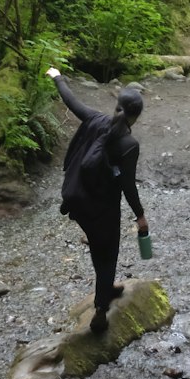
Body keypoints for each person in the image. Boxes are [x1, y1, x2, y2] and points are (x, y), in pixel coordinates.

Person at [47, 66, 148, 334]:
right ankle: (101, 310)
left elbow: (71, 101)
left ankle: (106, 286)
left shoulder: (94, 119)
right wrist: (140, 215)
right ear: (136, 116)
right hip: (101, 207)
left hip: (77, 201)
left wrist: (58, 76)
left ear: (117, 106)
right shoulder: (129, 144)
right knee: (108, 253)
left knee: (96, 245)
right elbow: (127, 186)